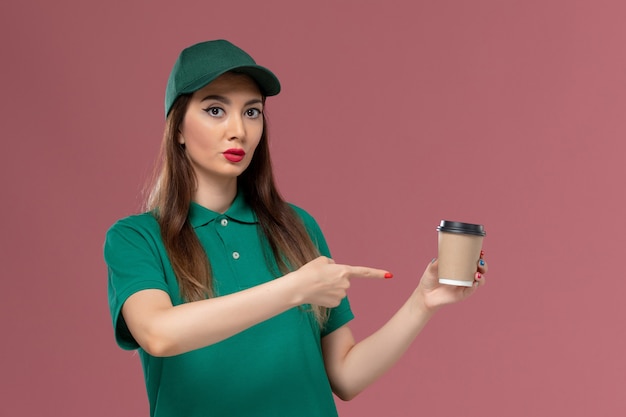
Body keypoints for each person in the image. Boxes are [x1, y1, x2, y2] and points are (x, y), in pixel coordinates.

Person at [104, 39, 488, 417]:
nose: (238, 129)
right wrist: (295, 288)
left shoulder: (297, 227)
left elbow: (346, 377)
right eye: (215, 110)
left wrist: (422, 303)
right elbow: (159, 334)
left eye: (252, 112)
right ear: (178, 130)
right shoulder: (137, 238)